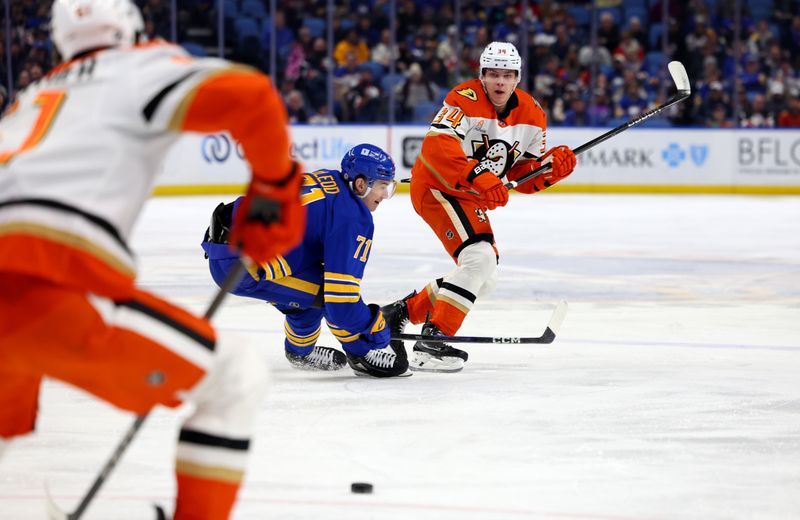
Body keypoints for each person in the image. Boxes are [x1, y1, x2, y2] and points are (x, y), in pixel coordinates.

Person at [0, 1, 303, 519]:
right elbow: (250, 95)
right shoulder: (137, 65)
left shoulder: (30, 97)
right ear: (132, 27)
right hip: (41, 282)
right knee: (236, 375)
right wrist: (274, 190)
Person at [381, 41, 577, 373]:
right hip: (436, 187)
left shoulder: (533, 115)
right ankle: (433, 341)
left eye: (507, 75)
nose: (500, 82)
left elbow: (520, 177)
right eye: (493, 74)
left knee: (482, 278)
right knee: (480, 258)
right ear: (481, 76)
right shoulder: (463, 98)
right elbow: (436, 147)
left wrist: (548, 170)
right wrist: (480, 175)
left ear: (518, 77)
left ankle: (397, 314)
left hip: (466, 195)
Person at [202, 144, 410, 378]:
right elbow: (341, 301)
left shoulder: (330, 178)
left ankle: (299, 352)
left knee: (306, 296)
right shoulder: (352, 218)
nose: (385, 195)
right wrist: (376, 330)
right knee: (324, 293)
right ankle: (360, 356)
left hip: (226, 244)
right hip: (239, 265)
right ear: (361, 184)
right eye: (382, 186)